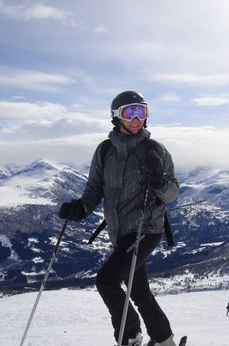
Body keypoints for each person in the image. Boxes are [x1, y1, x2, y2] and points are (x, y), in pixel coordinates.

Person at [59, 91, 180, 346]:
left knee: (106, 280)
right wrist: (80, 209)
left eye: (141, 112)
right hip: (120, 231)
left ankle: (130, 335)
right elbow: (93, 190)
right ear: (117, 116)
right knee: (138, 290)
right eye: (129, 112)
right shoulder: (105, 151)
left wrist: (159, 181)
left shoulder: (155, 150)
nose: (136, 119)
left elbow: (172, 193)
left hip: (146, 229)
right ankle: (163, 339)